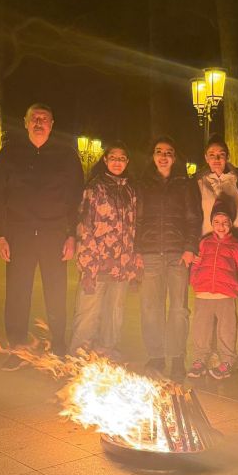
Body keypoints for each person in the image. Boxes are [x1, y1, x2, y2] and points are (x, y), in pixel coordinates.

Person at [0, 103, 84, 370]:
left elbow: (76, 198)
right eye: (34, 118)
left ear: (52, 124)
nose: (39, 122)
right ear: (25, 122)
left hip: (54, 235)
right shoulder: (11, 153)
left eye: (44, 118)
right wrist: (0, 234)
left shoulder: (66, 155)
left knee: (56, 292)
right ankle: (18, 347)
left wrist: (72, 235)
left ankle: (58, 345)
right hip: (19, 235)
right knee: (17, 293)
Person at [136, 136, 202, 381]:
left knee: (178, 309)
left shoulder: (185, 184)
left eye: (168, 152)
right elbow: (137, 219)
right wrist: (137, 249)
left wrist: (190, 247)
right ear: (152, 156)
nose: (163, 156)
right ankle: (156, 355)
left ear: (175, 158)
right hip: (150, 253)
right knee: (150, 308)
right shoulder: (143, 184)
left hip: (178, 254)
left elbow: (193, 218)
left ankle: (176, 357)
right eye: (159, 151)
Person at [70, 142, 140, 361]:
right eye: (113, 158)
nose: (117, 162)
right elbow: (84, 225)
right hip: (97, 261)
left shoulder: (130, 190)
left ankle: (106, 348)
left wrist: (132, 262)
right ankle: (79, 352)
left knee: (114, 310)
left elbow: (133, 227)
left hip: (122, 264)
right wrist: (88, 263)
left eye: (122, 158)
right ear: (105, 160)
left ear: (127, 162)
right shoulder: (94, 188)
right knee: (88, 310)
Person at [188, 200, 238, 380]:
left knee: (226, 330)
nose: (221, 226)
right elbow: (196, 263)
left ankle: (227, 361)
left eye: (225, 222)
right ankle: (200, 360)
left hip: (225, 294)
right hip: (204, 293)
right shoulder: (205, 242)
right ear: (211, 223)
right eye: (216, 222)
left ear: (230, 223)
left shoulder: (236, 245)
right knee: (201, 329)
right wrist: (195, 281)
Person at [196, 134, 238, 258]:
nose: (217, 159)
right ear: (206, 158)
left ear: (227, 156)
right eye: (212, 155)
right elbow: (195, 217)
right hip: (207, 248)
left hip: (235, 248)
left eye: (221, 154)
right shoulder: (199, 183)